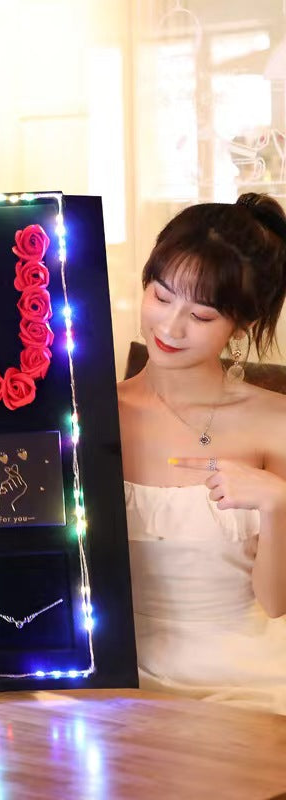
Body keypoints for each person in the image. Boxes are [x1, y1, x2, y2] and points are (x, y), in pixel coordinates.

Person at [117, 193, 286, 714]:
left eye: (201, 314)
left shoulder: (275, 422)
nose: (170, 327)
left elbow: (276, 603)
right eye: (161, 296)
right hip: (115, 675)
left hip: (244, 681)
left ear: (241, 323)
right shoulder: (91, 412)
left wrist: (278, 505)